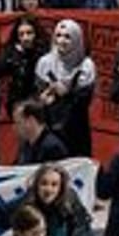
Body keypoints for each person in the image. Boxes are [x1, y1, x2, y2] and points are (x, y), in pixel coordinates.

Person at [35, 19, 96, 158]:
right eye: (58, 35)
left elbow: (83, 102)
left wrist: (66, 93)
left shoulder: (86, 65)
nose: (61, 41)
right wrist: (43, 99)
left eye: (67, 37)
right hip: (49, 129)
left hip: (76, 131)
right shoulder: (45, 63)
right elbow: (37, 95)